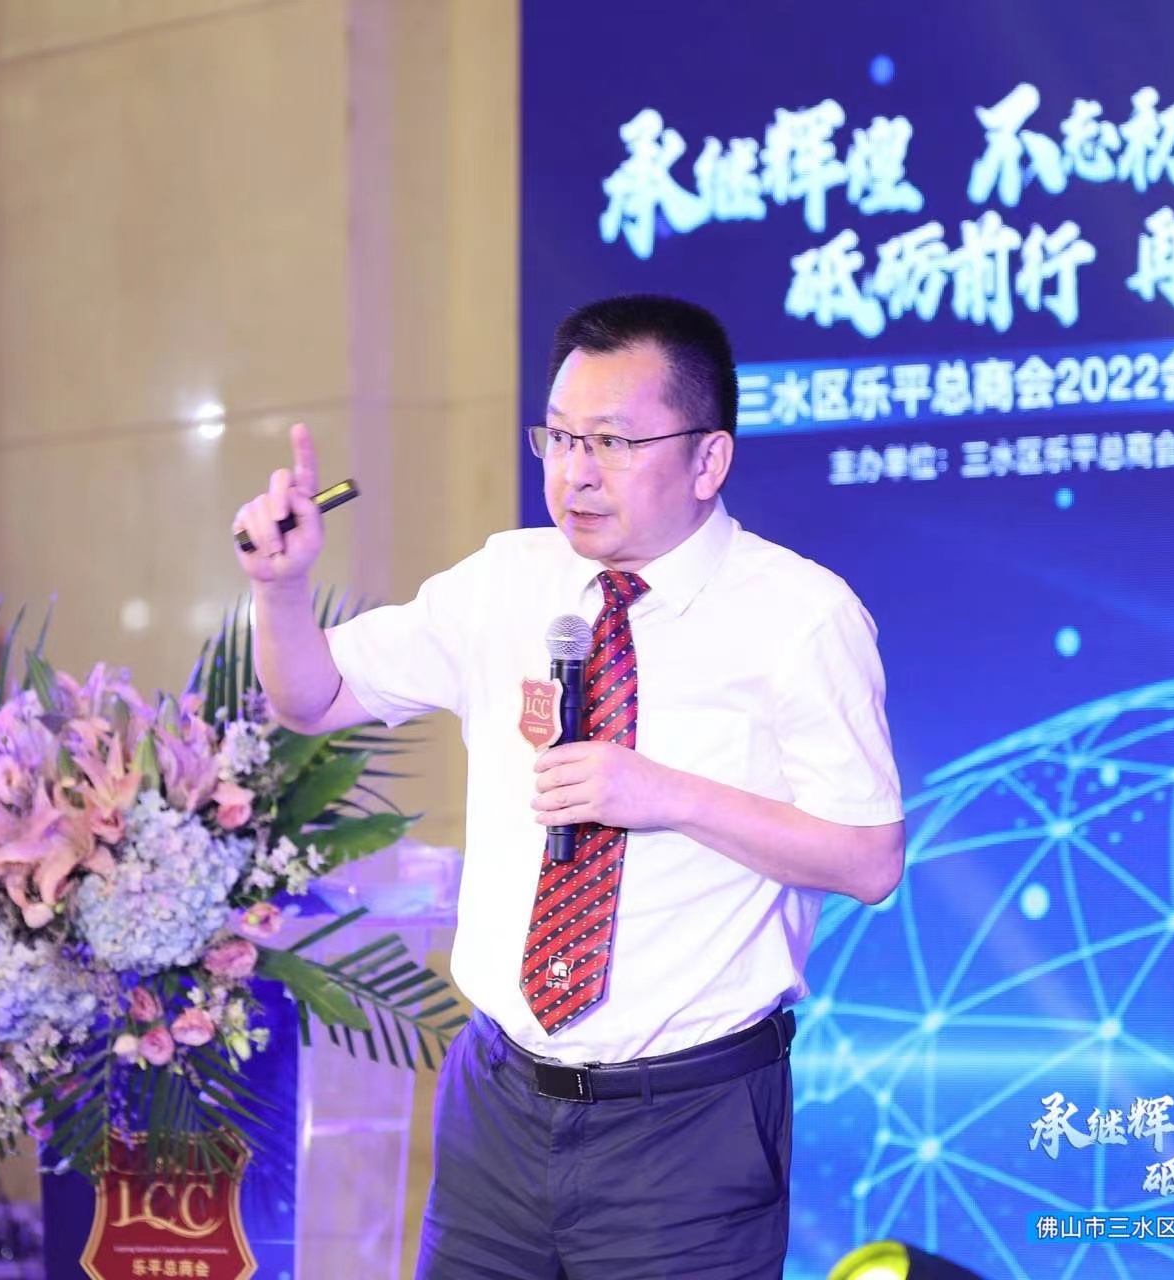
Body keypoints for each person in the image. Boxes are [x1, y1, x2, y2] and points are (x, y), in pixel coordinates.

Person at [233, 294, 905, 1279]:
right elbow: (314, 694)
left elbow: (869, 859)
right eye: (559, 436)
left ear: (709, 459)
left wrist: (666, 794)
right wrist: (280, 588)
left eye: (614, 442)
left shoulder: (800, 617)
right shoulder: (506, 581)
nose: (576, 471)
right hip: (496, 1103)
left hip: (687, 1125)